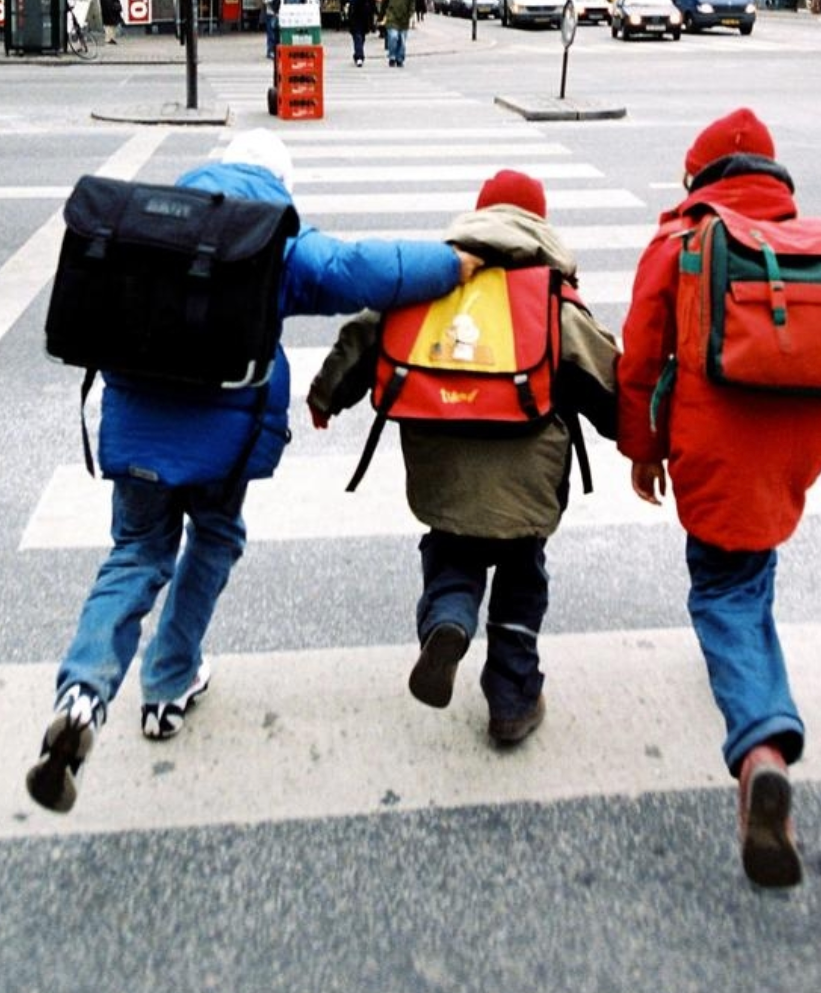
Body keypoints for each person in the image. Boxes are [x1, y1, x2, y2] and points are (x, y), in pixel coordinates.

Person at [26, 129, 484, 814]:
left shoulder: (142, 223)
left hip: (138, 435)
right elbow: (364, 269)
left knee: (134, 557)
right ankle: (170, 681)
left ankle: (83, 696)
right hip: (223, 443)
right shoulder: (267, 239)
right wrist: (454, 266)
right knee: (214, 538)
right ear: (278, 182)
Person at [308, 170, 619, 745]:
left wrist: (326, 395)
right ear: (539, 225)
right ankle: (511, 699)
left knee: (451, 553)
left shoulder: (433, 276)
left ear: (478, 216)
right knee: (522, 575)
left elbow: (363, 335)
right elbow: (606, 381)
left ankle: (448, 620)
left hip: (441, 467)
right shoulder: (551, 293)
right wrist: (639, 438)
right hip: (527, 477)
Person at [615, 108, 821, 888]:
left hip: (716, 445)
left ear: (699, 176)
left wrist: (642, 451)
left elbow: (641, 359)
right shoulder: (798, 241)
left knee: (720, 589)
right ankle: (759, 692)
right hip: (796, 444)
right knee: (749, 567)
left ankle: (761, 746)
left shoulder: (681, 241)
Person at [380, 0, 415, 67]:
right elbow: (384, 3)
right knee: (393, 37)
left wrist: (411, 14)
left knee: (402, 41)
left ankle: (400, 58)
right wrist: (381, 16)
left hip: (404, 18)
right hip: (392, 17)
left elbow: (412, 3)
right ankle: (392, 57)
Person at [343, 0, 377, 66]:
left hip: (364, 20)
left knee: (361, 39)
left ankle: (357, 54)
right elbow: (344, 1)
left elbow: (372, 5)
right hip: (354, 20)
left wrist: (376, 16)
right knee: (357, 38)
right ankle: (359, 57)